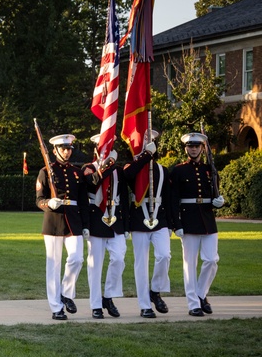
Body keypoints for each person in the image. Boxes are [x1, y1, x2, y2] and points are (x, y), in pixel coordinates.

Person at [169, 132, 224, 317]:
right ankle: (193, 304)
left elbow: (215, 192)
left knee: (211, 260)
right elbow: (173, 199)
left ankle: (201, 294)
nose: (193, 149)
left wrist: (220, 201)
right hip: (188, 219)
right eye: (190, 146)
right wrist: (176, 224)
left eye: (197, 146)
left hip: (207, 220)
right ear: (186, 149)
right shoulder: (178, 170)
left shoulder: (210, 169)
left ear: (202, 148)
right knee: (189, 264)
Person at [37, 134, 89, 320]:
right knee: (54, 265)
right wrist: (48, 203)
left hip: (73, 220)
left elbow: (83, 201)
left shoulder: (77, 172)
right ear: (55, 150)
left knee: (77, 258)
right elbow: (38, 199)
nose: (67, 152)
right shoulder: (46, 171)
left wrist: (85, 225)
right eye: (63, 149)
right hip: (53, 221)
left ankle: (66, 293)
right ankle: (56, 307)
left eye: (69, 149)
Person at [121, 132, 171, 318]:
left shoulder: (162, 170)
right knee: (141, 264)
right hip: (138, 217)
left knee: (164, 255)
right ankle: (144, 305)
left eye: (150, 143)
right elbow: (128, 175)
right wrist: (144, 156)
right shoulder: (132, 167)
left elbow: (168, 198)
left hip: (160, 218)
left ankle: (155, 290)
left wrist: (173, 223)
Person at [83, 138, 128, 318]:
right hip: (95, 219)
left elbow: (124, 197)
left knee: (119, 258)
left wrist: (126, 225)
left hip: (115, 219)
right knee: (95, 265)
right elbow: (91, 183)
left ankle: (108, 296)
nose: (106, 151)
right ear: (96, 149)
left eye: (109, 147)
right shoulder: (88, 168)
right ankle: (95, 305)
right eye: (103, 148)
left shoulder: (118, 170)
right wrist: (105, 166)